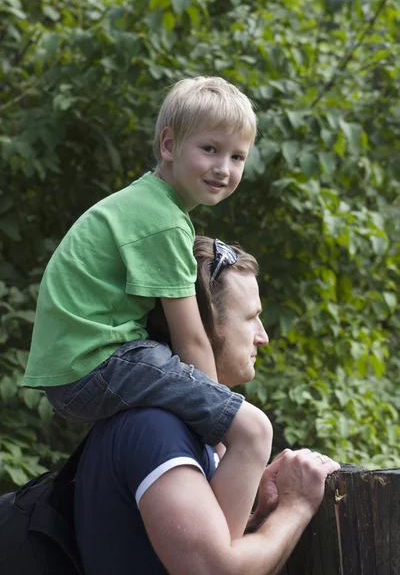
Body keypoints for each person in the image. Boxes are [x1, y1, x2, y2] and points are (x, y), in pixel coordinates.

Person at [22, 77, 272, 527]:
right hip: (93, 363)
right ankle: (225, 541)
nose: (223, 168)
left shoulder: (148, 203)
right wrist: (222, 423)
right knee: (251, 429)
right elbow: (193, 339)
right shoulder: (162, 220)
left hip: (78, 365)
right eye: (210, 149)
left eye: (237, 157)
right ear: (169, 144)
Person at [74, 236, 341, 574]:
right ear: (202, 325)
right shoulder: (155, 427)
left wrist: (261, 517)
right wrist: (296, 506)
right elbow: (214, 570)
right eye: (250, 318)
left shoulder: (181, 427)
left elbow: (199, 549)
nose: (263, 336)